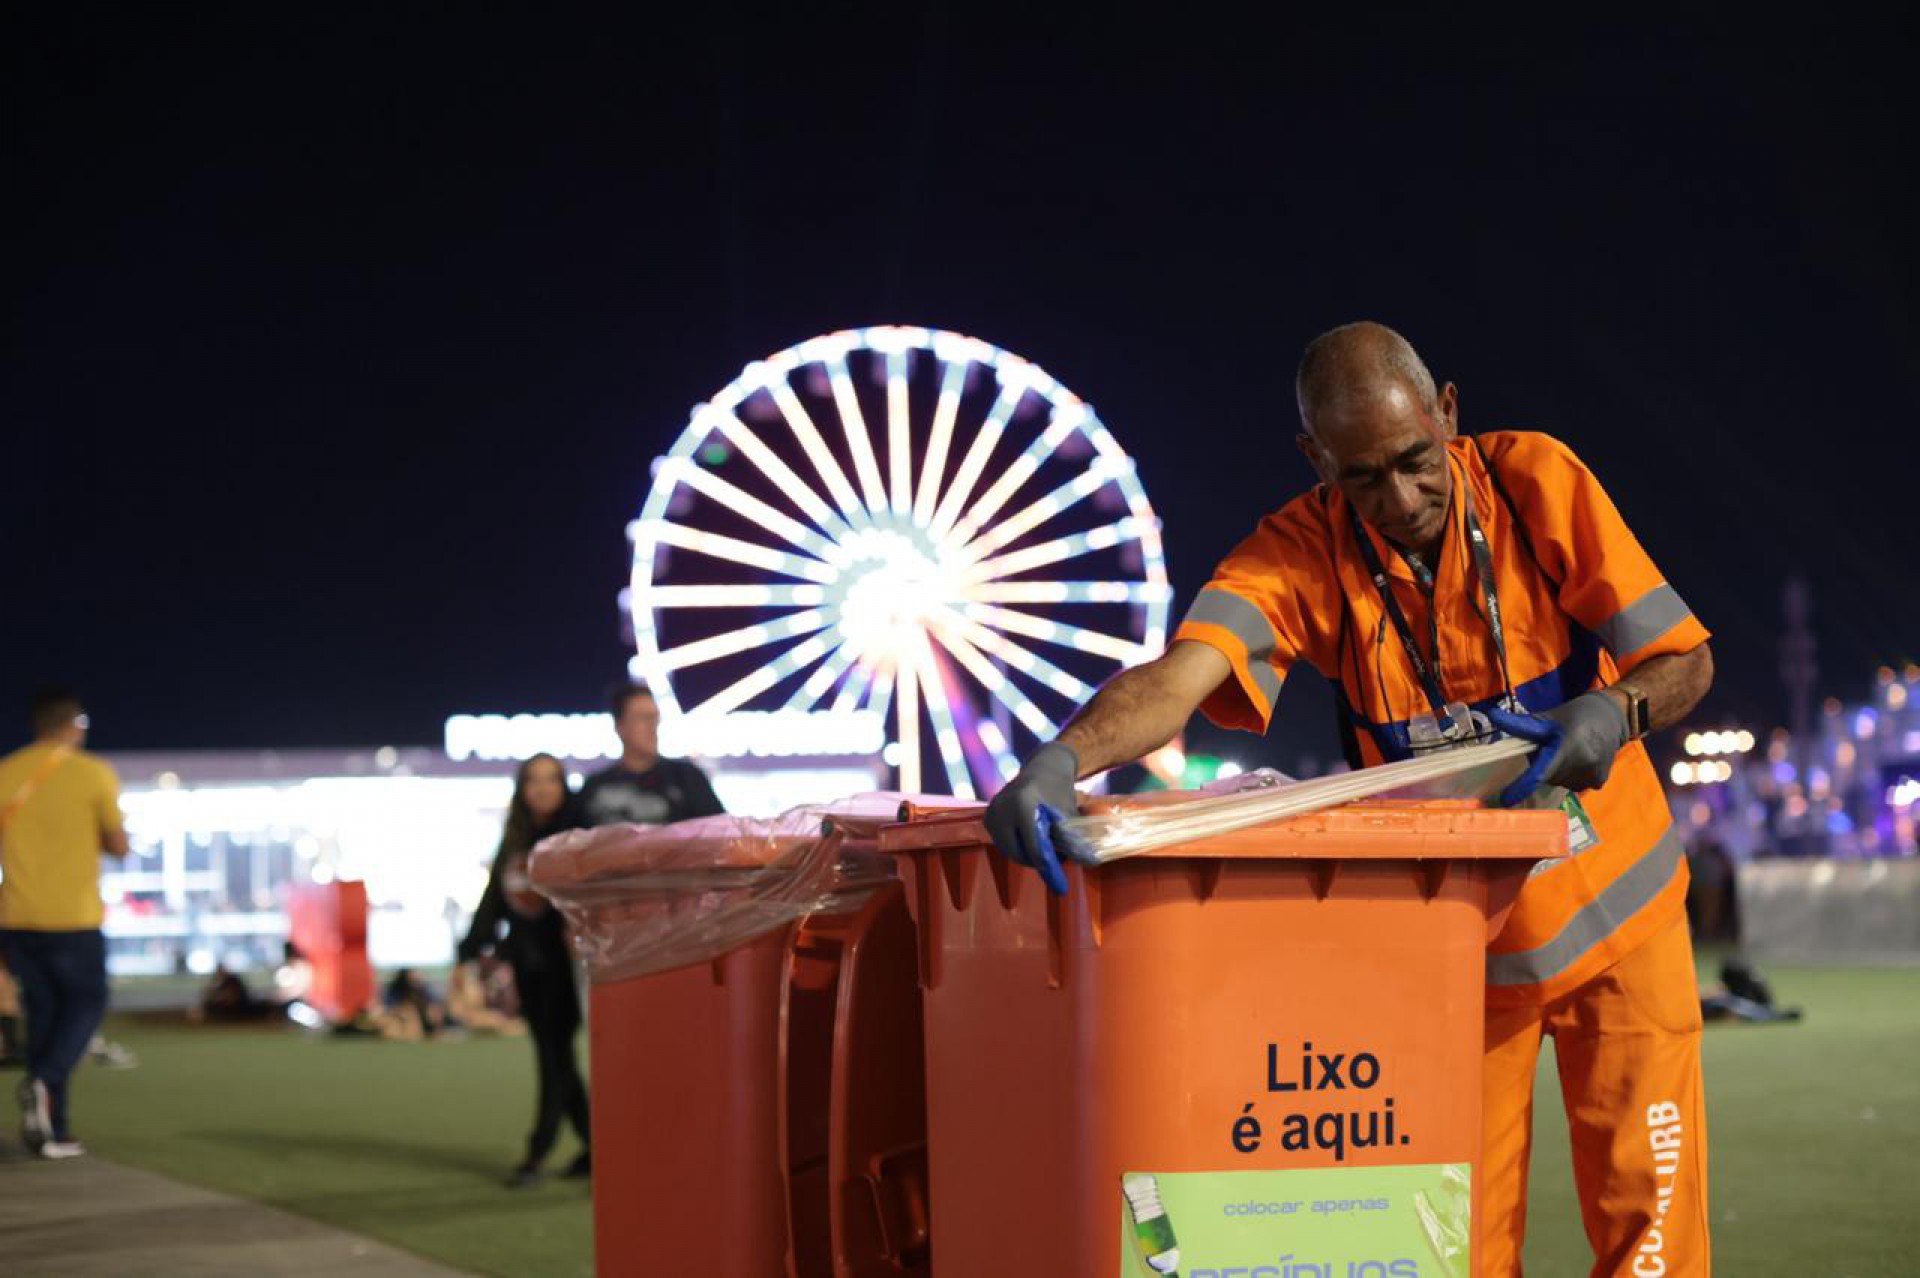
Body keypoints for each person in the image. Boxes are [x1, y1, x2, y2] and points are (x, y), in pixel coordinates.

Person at [984, 322, 1715, 1277]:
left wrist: (1614, 713)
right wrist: (1062, 758)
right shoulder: (1297, 553)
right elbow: (1178, 680)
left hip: (1623, 925)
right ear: (1314, 459)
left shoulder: (1537, 480)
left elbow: (1687, 660)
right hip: (1460, 957)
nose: (1399, 499)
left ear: (1449, 411)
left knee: (1649, 1235)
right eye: (1361, 478)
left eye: (1417, 461)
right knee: (1454, 1245)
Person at [0, 688, 131, 1159]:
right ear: (75, 724)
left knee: (44, 1016)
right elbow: (117, 844)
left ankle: (52, 1129)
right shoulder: (91, 773)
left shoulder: (6, 773)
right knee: (87, 1004)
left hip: (16, 917)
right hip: (72, 917)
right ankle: (45, 1081)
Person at [458, 752, 592, 1186]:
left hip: (566, 966)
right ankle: (596, 1145)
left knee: (553, 1056)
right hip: (528, 965)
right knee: (556, 1056)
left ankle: (537, 1152)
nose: (541, 788)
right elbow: (494, 898)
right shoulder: (515, 838)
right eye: (532, 780)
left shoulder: (575, 837)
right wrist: (469, 948)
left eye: (550, 780)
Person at [577, 682, 724, 829]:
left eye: (655, 718)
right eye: (643, 718)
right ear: (619, 725)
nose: (653, 726)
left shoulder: (686, 777)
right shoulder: (594, 786)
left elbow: (720, 832)